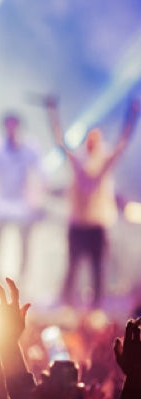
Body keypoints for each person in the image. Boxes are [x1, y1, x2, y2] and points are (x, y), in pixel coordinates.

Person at [45, 96, 140, 308]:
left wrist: (132, 115)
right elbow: (60, 142)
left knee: (98, 270)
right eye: (89, 139)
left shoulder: (104, 162)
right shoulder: (78, 162)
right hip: (78, 224)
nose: (91, 143)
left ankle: (96, 308)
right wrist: (52, 113)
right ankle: (66, 305)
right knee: (72, 269)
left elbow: (122, 142)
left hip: (96, 225)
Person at [0, 112, 45, 279]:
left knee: (24, 242)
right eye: (8, 126)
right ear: (4, 128)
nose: (12, 130)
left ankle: (22, 278)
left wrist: (36, 199)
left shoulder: (30, 147)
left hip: (23, 202)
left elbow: (40, 174)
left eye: (15, 126)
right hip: (1, 201)